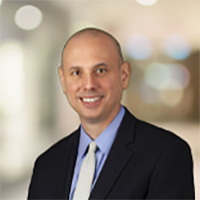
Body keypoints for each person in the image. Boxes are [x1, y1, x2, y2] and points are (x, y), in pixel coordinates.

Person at [28, 28, 195, 200]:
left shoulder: (166, 155)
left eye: (100, 71)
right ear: (63, 81)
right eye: (76, 73)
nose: (89, 85)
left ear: (124, 75)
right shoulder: (46, 164)